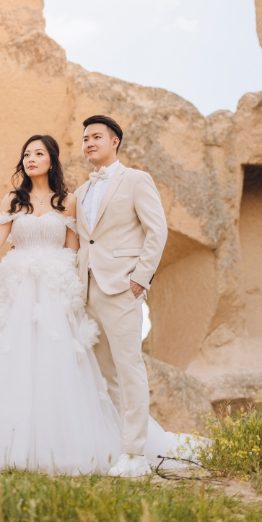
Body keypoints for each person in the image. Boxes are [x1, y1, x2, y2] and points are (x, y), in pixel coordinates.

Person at [0, 133, 177, 475]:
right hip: (17, 291)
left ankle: (72, 450)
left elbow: (75, 250)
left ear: (51, 160)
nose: (31, 159)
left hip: (56, 292)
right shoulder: (12, 201)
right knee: (10, 364)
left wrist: (83, 293)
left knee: (58, 366)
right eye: (26, 153)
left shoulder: (68, 202)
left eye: (38, 153)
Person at [74, 115, 167, 477]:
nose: (89, 143)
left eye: (96, 136)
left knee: (129, 369)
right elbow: (85, 241)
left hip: (122, 288)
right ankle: (117, 445)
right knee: (102, 374)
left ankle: (136, 455)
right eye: (84, 139)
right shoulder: (81, 192)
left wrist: (140, 279)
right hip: (87, 292)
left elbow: (156, 230)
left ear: (115, 141)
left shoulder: (136, 180)